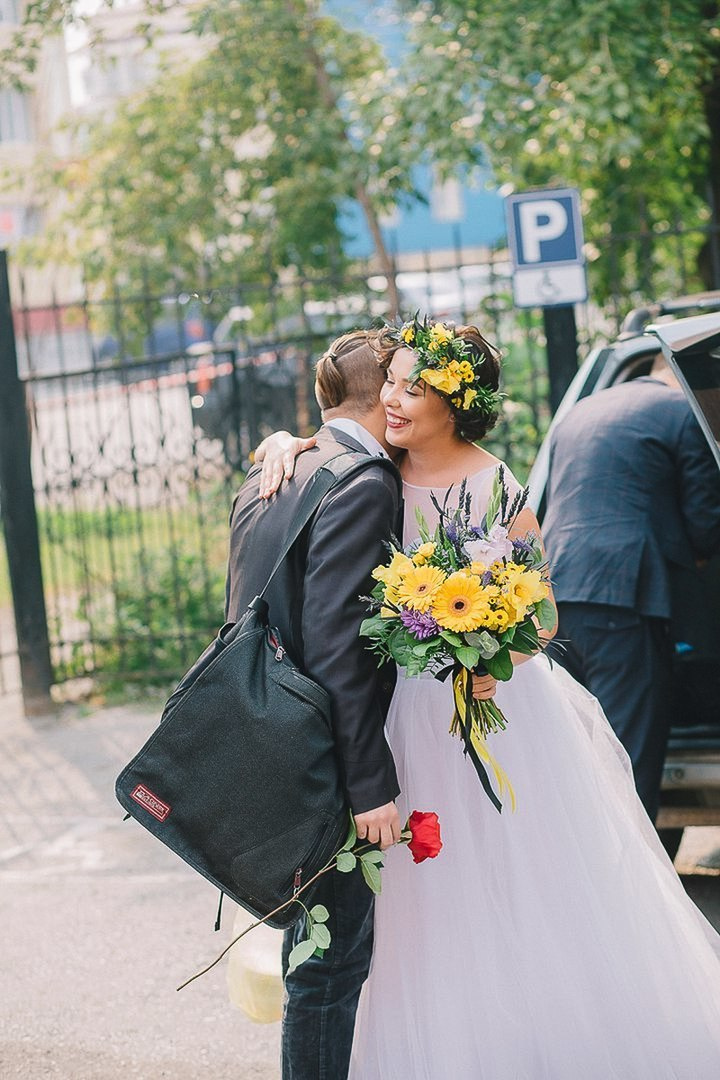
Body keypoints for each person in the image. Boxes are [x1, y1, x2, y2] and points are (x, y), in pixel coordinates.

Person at [258, 318, 720, 1079]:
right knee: (416, 896)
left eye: (416, 386)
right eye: (394, 382)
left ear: (457, 401)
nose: (395, 398)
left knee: (519, 878)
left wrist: (497, 658)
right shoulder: (376, 471)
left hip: (494, 714)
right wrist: (283, 440)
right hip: (401, 712)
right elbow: (325, 448)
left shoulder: (497, 482)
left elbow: (543, 614)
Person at [225, 329, 404, 1080]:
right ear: (383, 393)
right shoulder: (363, 482)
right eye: (404, 383)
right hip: (321, 756)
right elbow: (340, 645)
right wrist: (370, 784)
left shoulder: (271, 472)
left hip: (262, 735)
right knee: (328, 971)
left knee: (313, 953)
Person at [542, 352, 720, 821]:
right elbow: (706, 525)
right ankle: (624, 886)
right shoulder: (686, 415)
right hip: (623, 601)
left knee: (579, 755)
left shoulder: (580, 409)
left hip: (552, 596)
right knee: (627, 760)